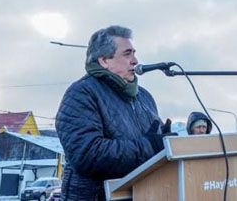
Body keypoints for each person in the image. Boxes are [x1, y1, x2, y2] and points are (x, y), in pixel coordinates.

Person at [56, 25, 169, 200]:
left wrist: (167, 141)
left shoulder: (144, 97)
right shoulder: (81, 94)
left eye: (134, 53)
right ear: (104, 61)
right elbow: (87, 154)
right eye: (127, 54)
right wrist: (150, 146)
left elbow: (153, 142)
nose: (135, 60)